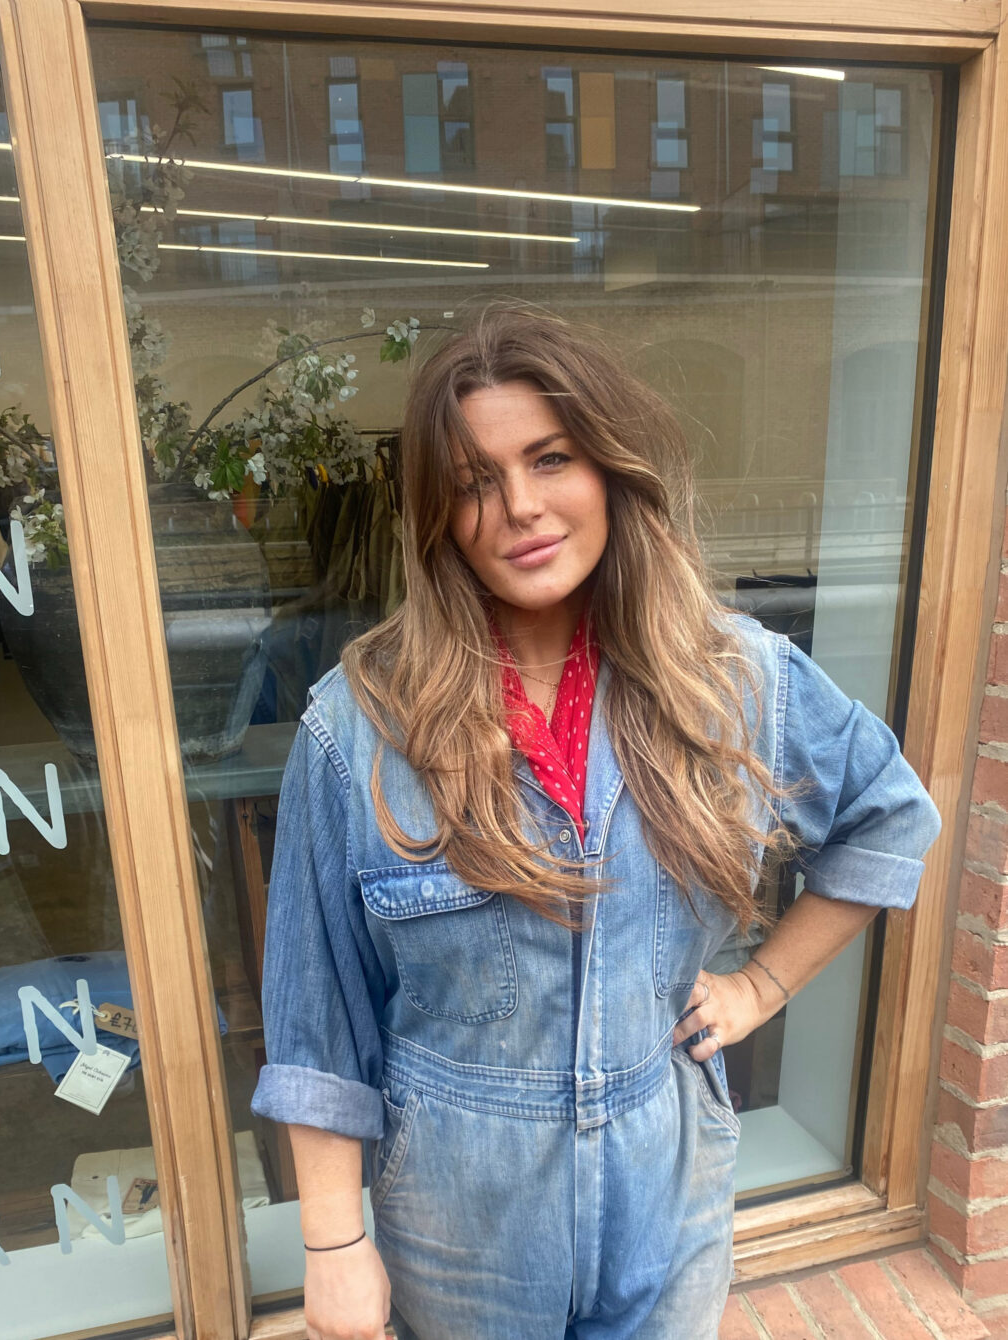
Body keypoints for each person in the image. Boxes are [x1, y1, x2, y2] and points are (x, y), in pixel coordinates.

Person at [250, 304, 941, 1340]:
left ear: (609, 468)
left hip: (670, 1194)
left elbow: (892, 818)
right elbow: (318, 1018)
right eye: (477, 481)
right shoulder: (358, 730)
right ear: (439, 515)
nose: (519, 505)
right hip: (458, 1219)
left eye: (550, 457)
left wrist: (762, 982)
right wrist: (334, 1246)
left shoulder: (732, 678)